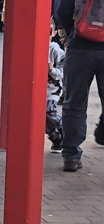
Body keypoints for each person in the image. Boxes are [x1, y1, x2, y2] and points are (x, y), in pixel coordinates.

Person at [58, 0, 104, 172]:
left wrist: (74, 32)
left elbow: (62, 11)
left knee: (74, 103)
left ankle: (71, 155)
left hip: (80, 47)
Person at [49, 22, 66, 154]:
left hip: (52, 88)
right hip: (38, 88)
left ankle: (64, 129)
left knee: (49, 111)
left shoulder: (55, 49)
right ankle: (55, 137)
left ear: (53, 33)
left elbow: (63, 71)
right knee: (39, 116)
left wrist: (52, 70)